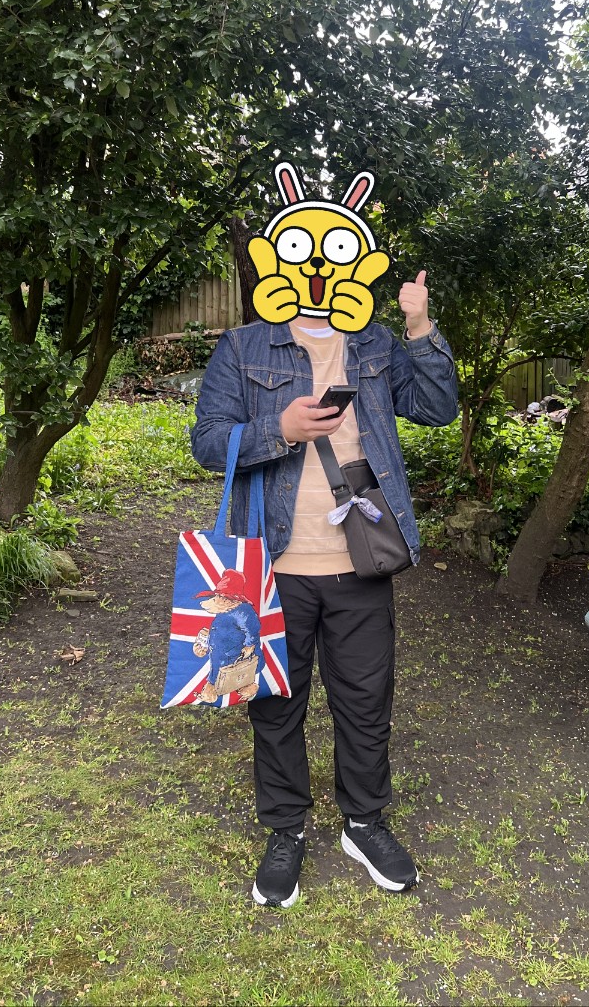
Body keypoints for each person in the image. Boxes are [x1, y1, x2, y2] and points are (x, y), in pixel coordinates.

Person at [190, 269, 458, 907]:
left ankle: (364, 823)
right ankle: (286, 829)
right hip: (272, 565)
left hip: (361, 560)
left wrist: (419, 326)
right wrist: (278, 429)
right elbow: (207, 442)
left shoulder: (375, 342)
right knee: (276, 705)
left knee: (365, 702)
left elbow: (437, 408)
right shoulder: (243, 346)